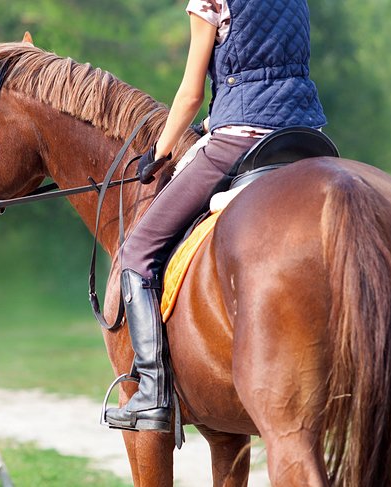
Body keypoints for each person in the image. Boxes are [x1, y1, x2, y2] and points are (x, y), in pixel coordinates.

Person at [104, 0, 326, 432]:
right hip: (307, 136)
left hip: (240, 140)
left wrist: (160, 152)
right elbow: (275, 74)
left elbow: (189, 94)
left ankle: (151, 391)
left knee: (136, 251)